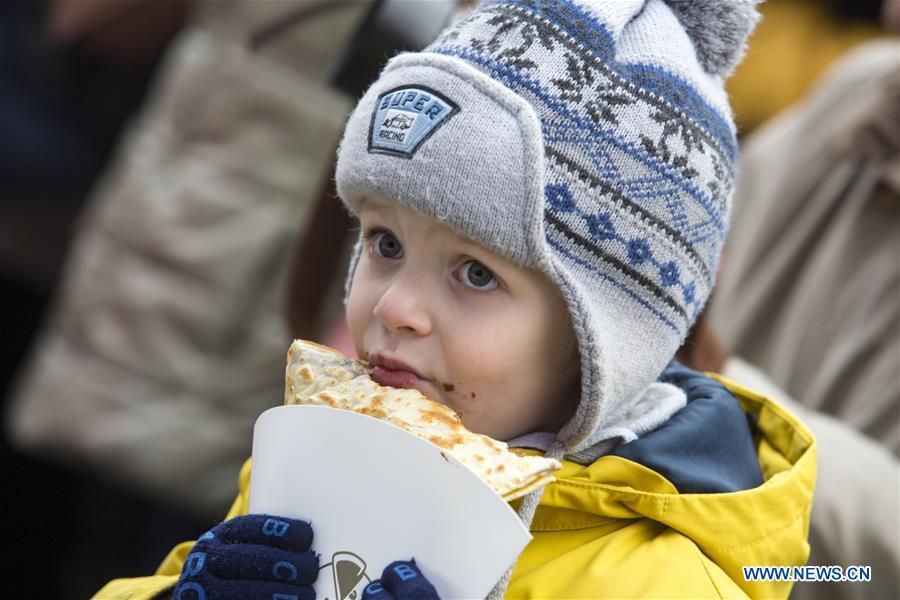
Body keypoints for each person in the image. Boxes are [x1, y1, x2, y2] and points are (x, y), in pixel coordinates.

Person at [95, 1, 816, 598]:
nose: (394, 308)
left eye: (475, 274)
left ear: (607, 347)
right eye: (385, 243)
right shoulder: (321, 462)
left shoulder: (661, 580)